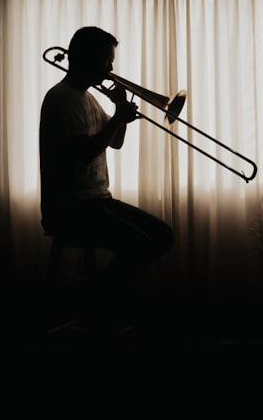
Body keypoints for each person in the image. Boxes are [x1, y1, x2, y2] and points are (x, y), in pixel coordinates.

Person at [39, 26, 174, 319]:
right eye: (106, 60)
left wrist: (120, 112)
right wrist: (118, 117)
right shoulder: (61, 98)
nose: (111, 68)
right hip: (70, 207)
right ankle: (92, 300)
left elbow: (115, 143)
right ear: (86, 58)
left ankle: (93, 295)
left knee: (163, 236)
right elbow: (86, 153)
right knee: (142, 243)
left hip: (97, 200)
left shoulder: (87, 98)